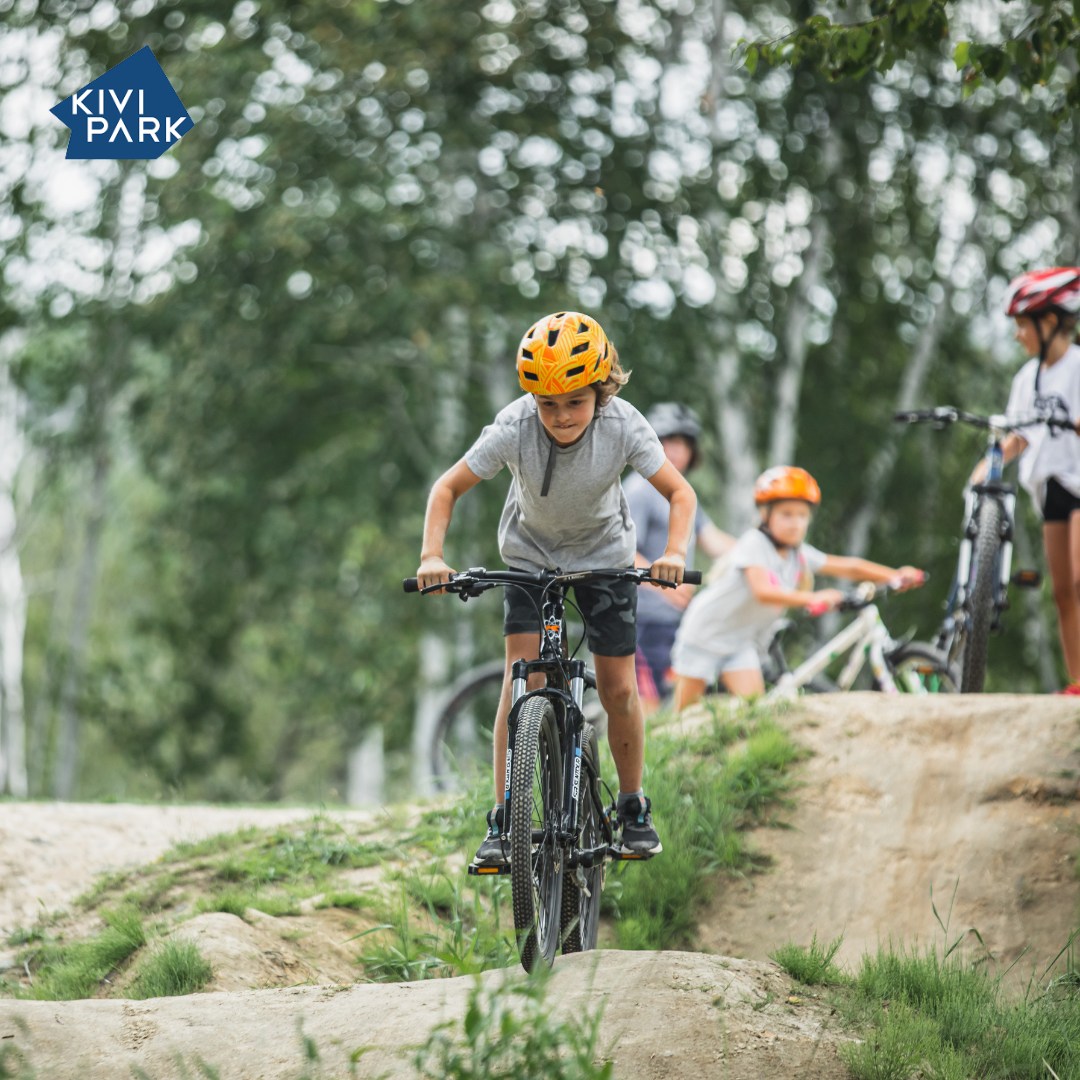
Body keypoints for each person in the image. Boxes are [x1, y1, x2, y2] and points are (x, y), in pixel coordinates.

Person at [415, 311, 697, 866]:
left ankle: (633, 804)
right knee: (520, 683)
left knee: (616, 688)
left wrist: (674, 555)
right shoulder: (515, 426)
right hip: (530, 558)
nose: (561, 416)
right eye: (548, 404)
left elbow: (680, 493)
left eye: (574, 401)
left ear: (600, 389)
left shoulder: (623, 425)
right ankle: (502, 819)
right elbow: (447, 488)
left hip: (606, 561)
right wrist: (431, 556)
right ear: (532, 399)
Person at [669, 466, 924, 709]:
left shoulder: (798, 554)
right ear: (766, 515)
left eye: (802, 515)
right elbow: (762, 592)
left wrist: (895, 576)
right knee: (684, 716)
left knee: (754, 709)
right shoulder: (754, 544)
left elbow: (849, 567)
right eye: (786, 514)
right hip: (704, 636)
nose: (795, 523)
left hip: (740, 643)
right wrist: (812, 598)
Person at [970, 267, 1080, 694]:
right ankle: (1076, 682)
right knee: (1062, 592)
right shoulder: (1026, 378)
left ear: (1048, 322)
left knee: (1078, 579)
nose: (1019, 336)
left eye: (1022, 326)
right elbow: (1019, 434)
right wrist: (990, 462)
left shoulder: (1076, 366)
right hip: (1050, 487)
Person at [624, 403, 734, 710]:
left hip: (675, 620)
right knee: (645, 707)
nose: (675, 451)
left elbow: (712, 540)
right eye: (668, 442)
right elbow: (622, 551)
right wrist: (662, 583)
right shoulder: (640, 490)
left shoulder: (681, 493)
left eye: (683, 444)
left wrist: (760, 550)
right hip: (641, 617)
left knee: (675, 705)